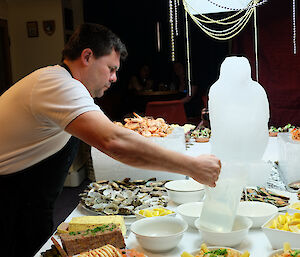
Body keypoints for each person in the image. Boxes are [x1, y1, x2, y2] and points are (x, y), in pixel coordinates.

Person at [0, 23, 221, 257]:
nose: (114, 78)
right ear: (87, 56)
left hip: (29, 205)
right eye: (111, 68)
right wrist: (191, 165)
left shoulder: (61, 84)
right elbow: (114, 141)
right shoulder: (57, 84)